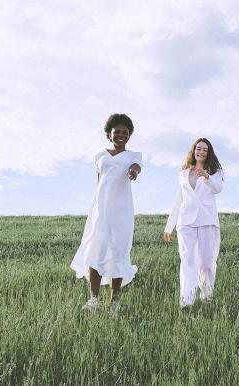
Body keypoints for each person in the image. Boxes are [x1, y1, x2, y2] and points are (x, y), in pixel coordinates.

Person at [71, 113, 142, 313]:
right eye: (116, 132)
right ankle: (93, 300)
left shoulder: (134, 156)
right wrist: (96, 207)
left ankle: (114, 302)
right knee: (96, 250)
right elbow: (99, 181)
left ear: (129, 136)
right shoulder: (100, 156)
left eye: (125, 132)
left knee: (118, 251)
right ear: (109, 135)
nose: (120, 135)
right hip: (101, 210)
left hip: (122, 211)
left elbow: (137, 167)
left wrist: (133, 172)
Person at [163, 138, 223, 308]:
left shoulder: (215, 172)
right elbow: (178, 200)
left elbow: (217, 189)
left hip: (207, 221)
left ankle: (207, 298)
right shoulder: (183, 174)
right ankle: (187, 301)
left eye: (205, 150)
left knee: (206, 262)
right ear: (193, 150)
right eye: (198, 148)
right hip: (186, 222)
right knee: (187, 261)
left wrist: (206, 177)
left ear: (209, 153)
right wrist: (169, 226)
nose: (201, 152)